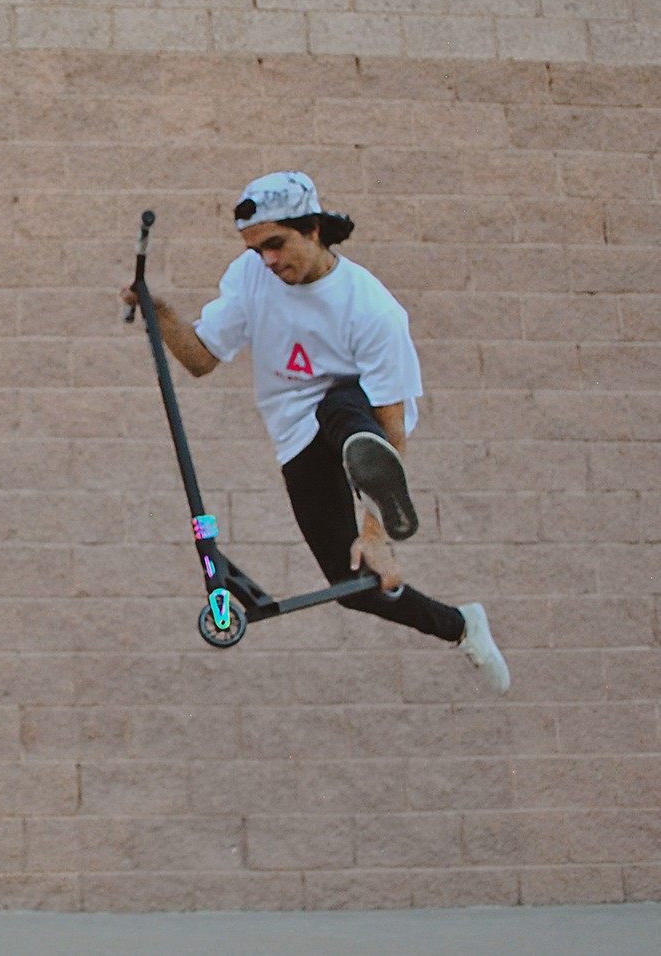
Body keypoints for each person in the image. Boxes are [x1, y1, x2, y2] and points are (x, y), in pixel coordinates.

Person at [121, 171, 510, 693]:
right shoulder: (252, 277)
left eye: (276, 245)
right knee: (353, 587)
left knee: (340, 406)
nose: (267, 261)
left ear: (314, 230)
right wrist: (160, 310)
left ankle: (363, 466)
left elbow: (392, 421)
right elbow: (200, 359)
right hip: (297, 436)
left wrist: (376, 533)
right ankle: (462, 626)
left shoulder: (371, 308)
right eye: (256, 250)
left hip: (359, 415)